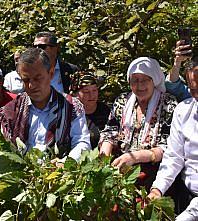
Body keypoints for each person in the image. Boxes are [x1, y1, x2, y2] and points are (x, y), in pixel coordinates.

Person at [0, 48, 91, 162]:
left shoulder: (72, 107)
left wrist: (66, 163)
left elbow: (82, 143)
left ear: (51, 74)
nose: (31, 85)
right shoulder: (10, 111)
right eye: (26, 80)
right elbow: (6, 150)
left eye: (38, 78)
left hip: (62, 175)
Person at [99, 57, 177, 191]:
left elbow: (169, 147)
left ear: (155, 80)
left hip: (154, 171)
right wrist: (103, 158)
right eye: (134, 80)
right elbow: (110, 132)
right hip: (121, 165)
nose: (139, 86)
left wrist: (136, 158)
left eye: (145, 80)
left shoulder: (168, 105)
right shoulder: (122, 101)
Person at [148, 59, 198, 221]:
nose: (196, 95)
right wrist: (157, 189)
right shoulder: (183, 110)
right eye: (192, 89)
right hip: (186, 194)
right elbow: (174, 156)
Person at [70, 71, 110, 148]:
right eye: (86, 91)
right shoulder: (68, 113)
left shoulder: (106, 111)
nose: (92, 95)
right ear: (75, 93)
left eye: (94, 90)